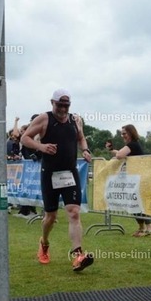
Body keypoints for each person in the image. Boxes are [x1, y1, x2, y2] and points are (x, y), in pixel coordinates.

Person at [20, 88, 95, 271]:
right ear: (52, 103)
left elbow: (81, 138)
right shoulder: (44, 119)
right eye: (59, 105)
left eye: (66, 105)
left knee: (74, 212)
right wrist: (41, 147)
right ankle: (44, 243)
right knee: (50, 217)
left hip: (70, 172)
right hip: (50, 173)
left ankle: (78, 256)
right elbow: (24, 138)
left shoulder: (75, 120)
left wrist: (85, 150)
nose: (63, 109)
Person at [114, 124, 151, 237]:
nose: (122, 136)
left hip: (139, 179)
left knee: (138, 203)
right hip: (134, 179)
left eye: (124, 133)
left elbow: (119, 155)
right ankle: (142, 228)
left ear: (130, 133)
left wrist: (116, 153)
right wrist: (113, 151)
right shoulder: (132, 145)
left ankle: (150, 229)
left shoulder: (132, 144)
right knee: (134, 203)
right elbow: (120, 154)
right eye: (121, 134)